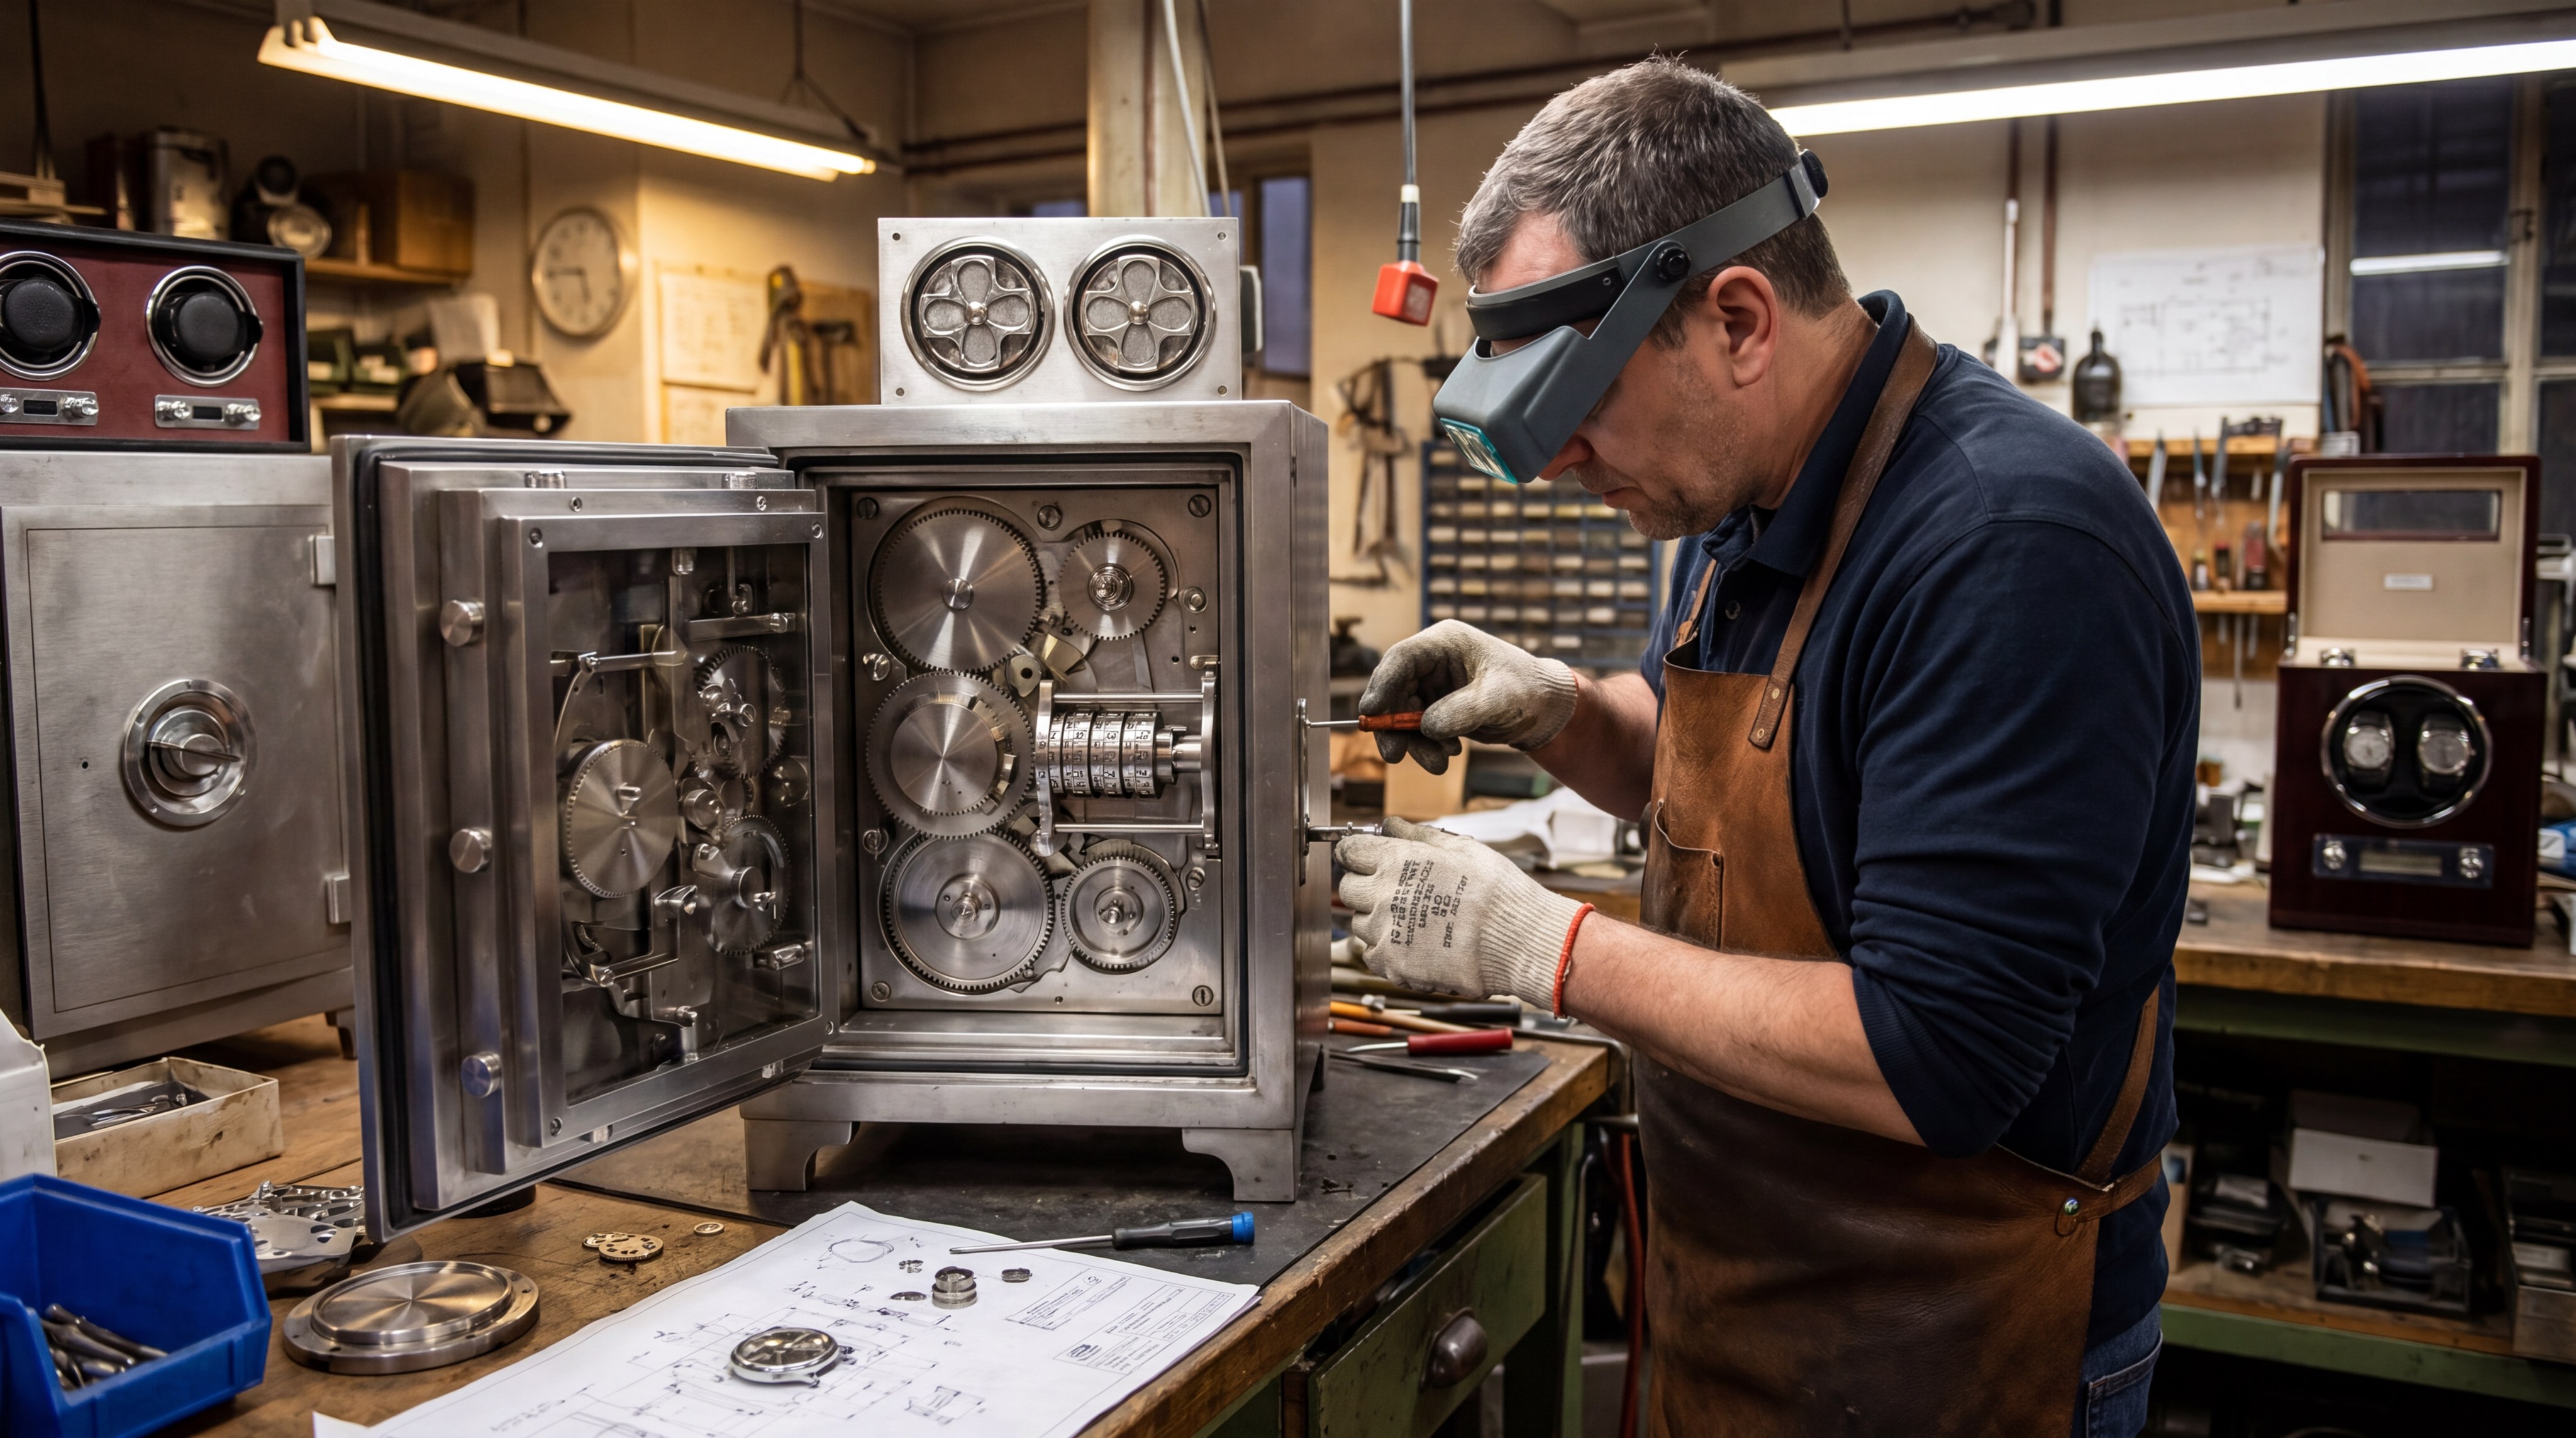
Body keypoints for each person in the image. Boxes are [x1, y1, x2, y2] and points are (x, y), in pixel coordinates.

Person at [1335, 57, 2197, 1438]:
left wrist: (1540, 950)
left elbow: (1937, 1054)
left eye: (1576, 409)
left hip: (1953, 1346)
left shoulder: (2006, 546)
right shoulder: (1734, 495)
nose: (1558, 464)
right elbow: (1709, 771)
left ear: (1735, 319)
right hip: (1745, 1302)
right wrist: (1558, 707)